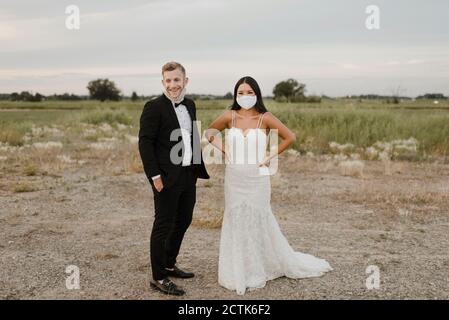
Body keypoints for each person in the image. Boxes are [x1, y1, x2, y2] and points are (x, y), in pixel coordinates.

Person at [206, 76, 332, 295]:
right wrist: (223, 146)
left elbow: (289, 137)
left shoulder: (265, 117)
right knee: (236, 217)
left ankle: (257, 267)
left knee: (257, 217)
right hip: (235, 177)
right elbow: (209, 132)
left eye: (249, 92)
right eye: (241, 93)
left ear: (257, 94)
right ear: (236, 95)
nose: (245, 97)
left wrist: (270, 155)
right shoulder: (229, 116)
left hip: (257, 178)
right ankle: (235, 267)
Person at [139, 61, 210, 296]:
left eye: (176, 80)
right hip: (166, 177)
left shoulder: (190, 104)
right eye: (168, 81)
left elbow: (193, 136)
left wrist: (197, 169)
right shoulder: (153, 107)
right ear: (163, 82)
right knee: (163, 225)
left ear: (185, 81)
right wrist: (155, 177)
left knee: (184, 220)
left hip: (188, 174)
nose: (172, 85)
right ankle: (159, 277)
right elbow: (145, 143)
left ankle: (169, 263)